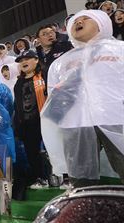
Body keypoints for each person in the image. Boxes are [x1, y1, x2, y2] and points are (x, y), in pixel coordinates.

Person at [41, 10, 124, 187]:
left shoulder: (120, 49)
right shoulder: (59, 63)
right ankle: (86, 211)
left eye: (85, 18)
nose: (79, 22)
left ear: (102, 23)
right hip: (76, 123)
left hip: (115, 116)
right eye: (75, 21)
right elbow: (54, 95)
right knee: (81, 178)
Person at [12, 50, 51, 197]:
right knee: (32, 152)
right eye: (21, 60)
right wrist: (18, 125)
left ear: (36, 60)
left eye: (27, 59)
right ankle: (40, 178)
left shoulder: (44, 75)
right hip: (27, 123)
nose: (23, 62)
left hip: (45, 119)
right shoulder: (18, 82)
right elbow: (17, 106)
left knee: (51, 149)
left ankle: (61, 177)